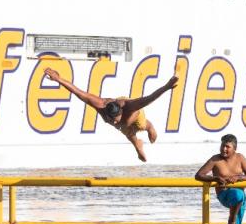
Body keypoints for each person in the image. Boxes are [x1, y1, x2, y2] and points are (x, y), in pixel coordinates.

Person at [44, 68, 178, 162]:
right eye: (110, 119)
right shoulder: (100, 106)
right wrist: (58, 79)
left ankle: (149, 127)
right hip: (122, 118)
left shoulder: (130, 107)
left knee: (140, 125)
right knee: (125, 129)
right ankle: (137, 145)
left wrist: (166, 87)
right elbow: (79, 93)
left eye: (114, 119)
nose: (113, 122)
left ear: (120, 112)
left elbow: (150, 98)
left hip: (136, 115)